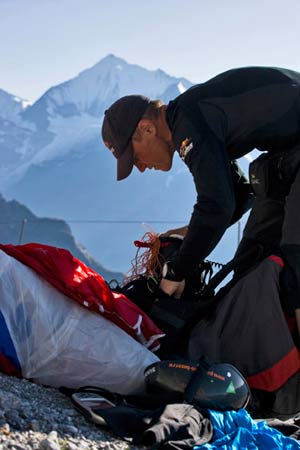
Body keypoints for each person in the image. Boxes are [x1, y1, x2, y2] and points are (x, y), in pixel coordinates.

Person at [101, 66, 300, 329]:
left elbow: (217, 205)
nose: (138, 166)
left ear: (147, 129)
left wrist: (177, 271)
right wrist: (185, 233)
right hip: (287, 154)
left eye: (133, 156)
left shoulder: (188, 122)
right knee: (248, 268)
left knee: (296, 267)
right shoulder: (190, 117)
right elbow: (239, 195)